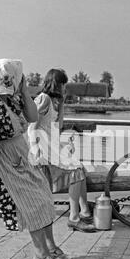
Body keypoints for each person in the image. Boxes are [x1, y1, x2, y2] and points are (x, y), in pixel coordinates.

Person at [0, 59, 74, 259]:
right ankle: (42, 256)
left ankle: (50, 249)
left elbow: (33, 116)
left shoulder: (10, 98)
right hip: (2, 157)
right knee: (32, 202)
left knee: (44, 195)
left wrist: (24, 91)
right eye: (19, 77)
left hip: (18, 152)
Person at [27, 68, 95, 232]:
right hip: (42, 146)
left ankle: (84, 212)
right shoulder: (43, 99)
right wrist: (35, 148)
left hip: (52, 145)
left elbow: (58, 128)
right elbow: (31, 127)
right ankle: (74, 217)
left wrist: (62, 104)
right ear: (56, 84)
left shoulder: (55, 102)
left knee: (79, 169)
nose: (65, 87)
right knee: (76, 170)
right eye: (63, 84)